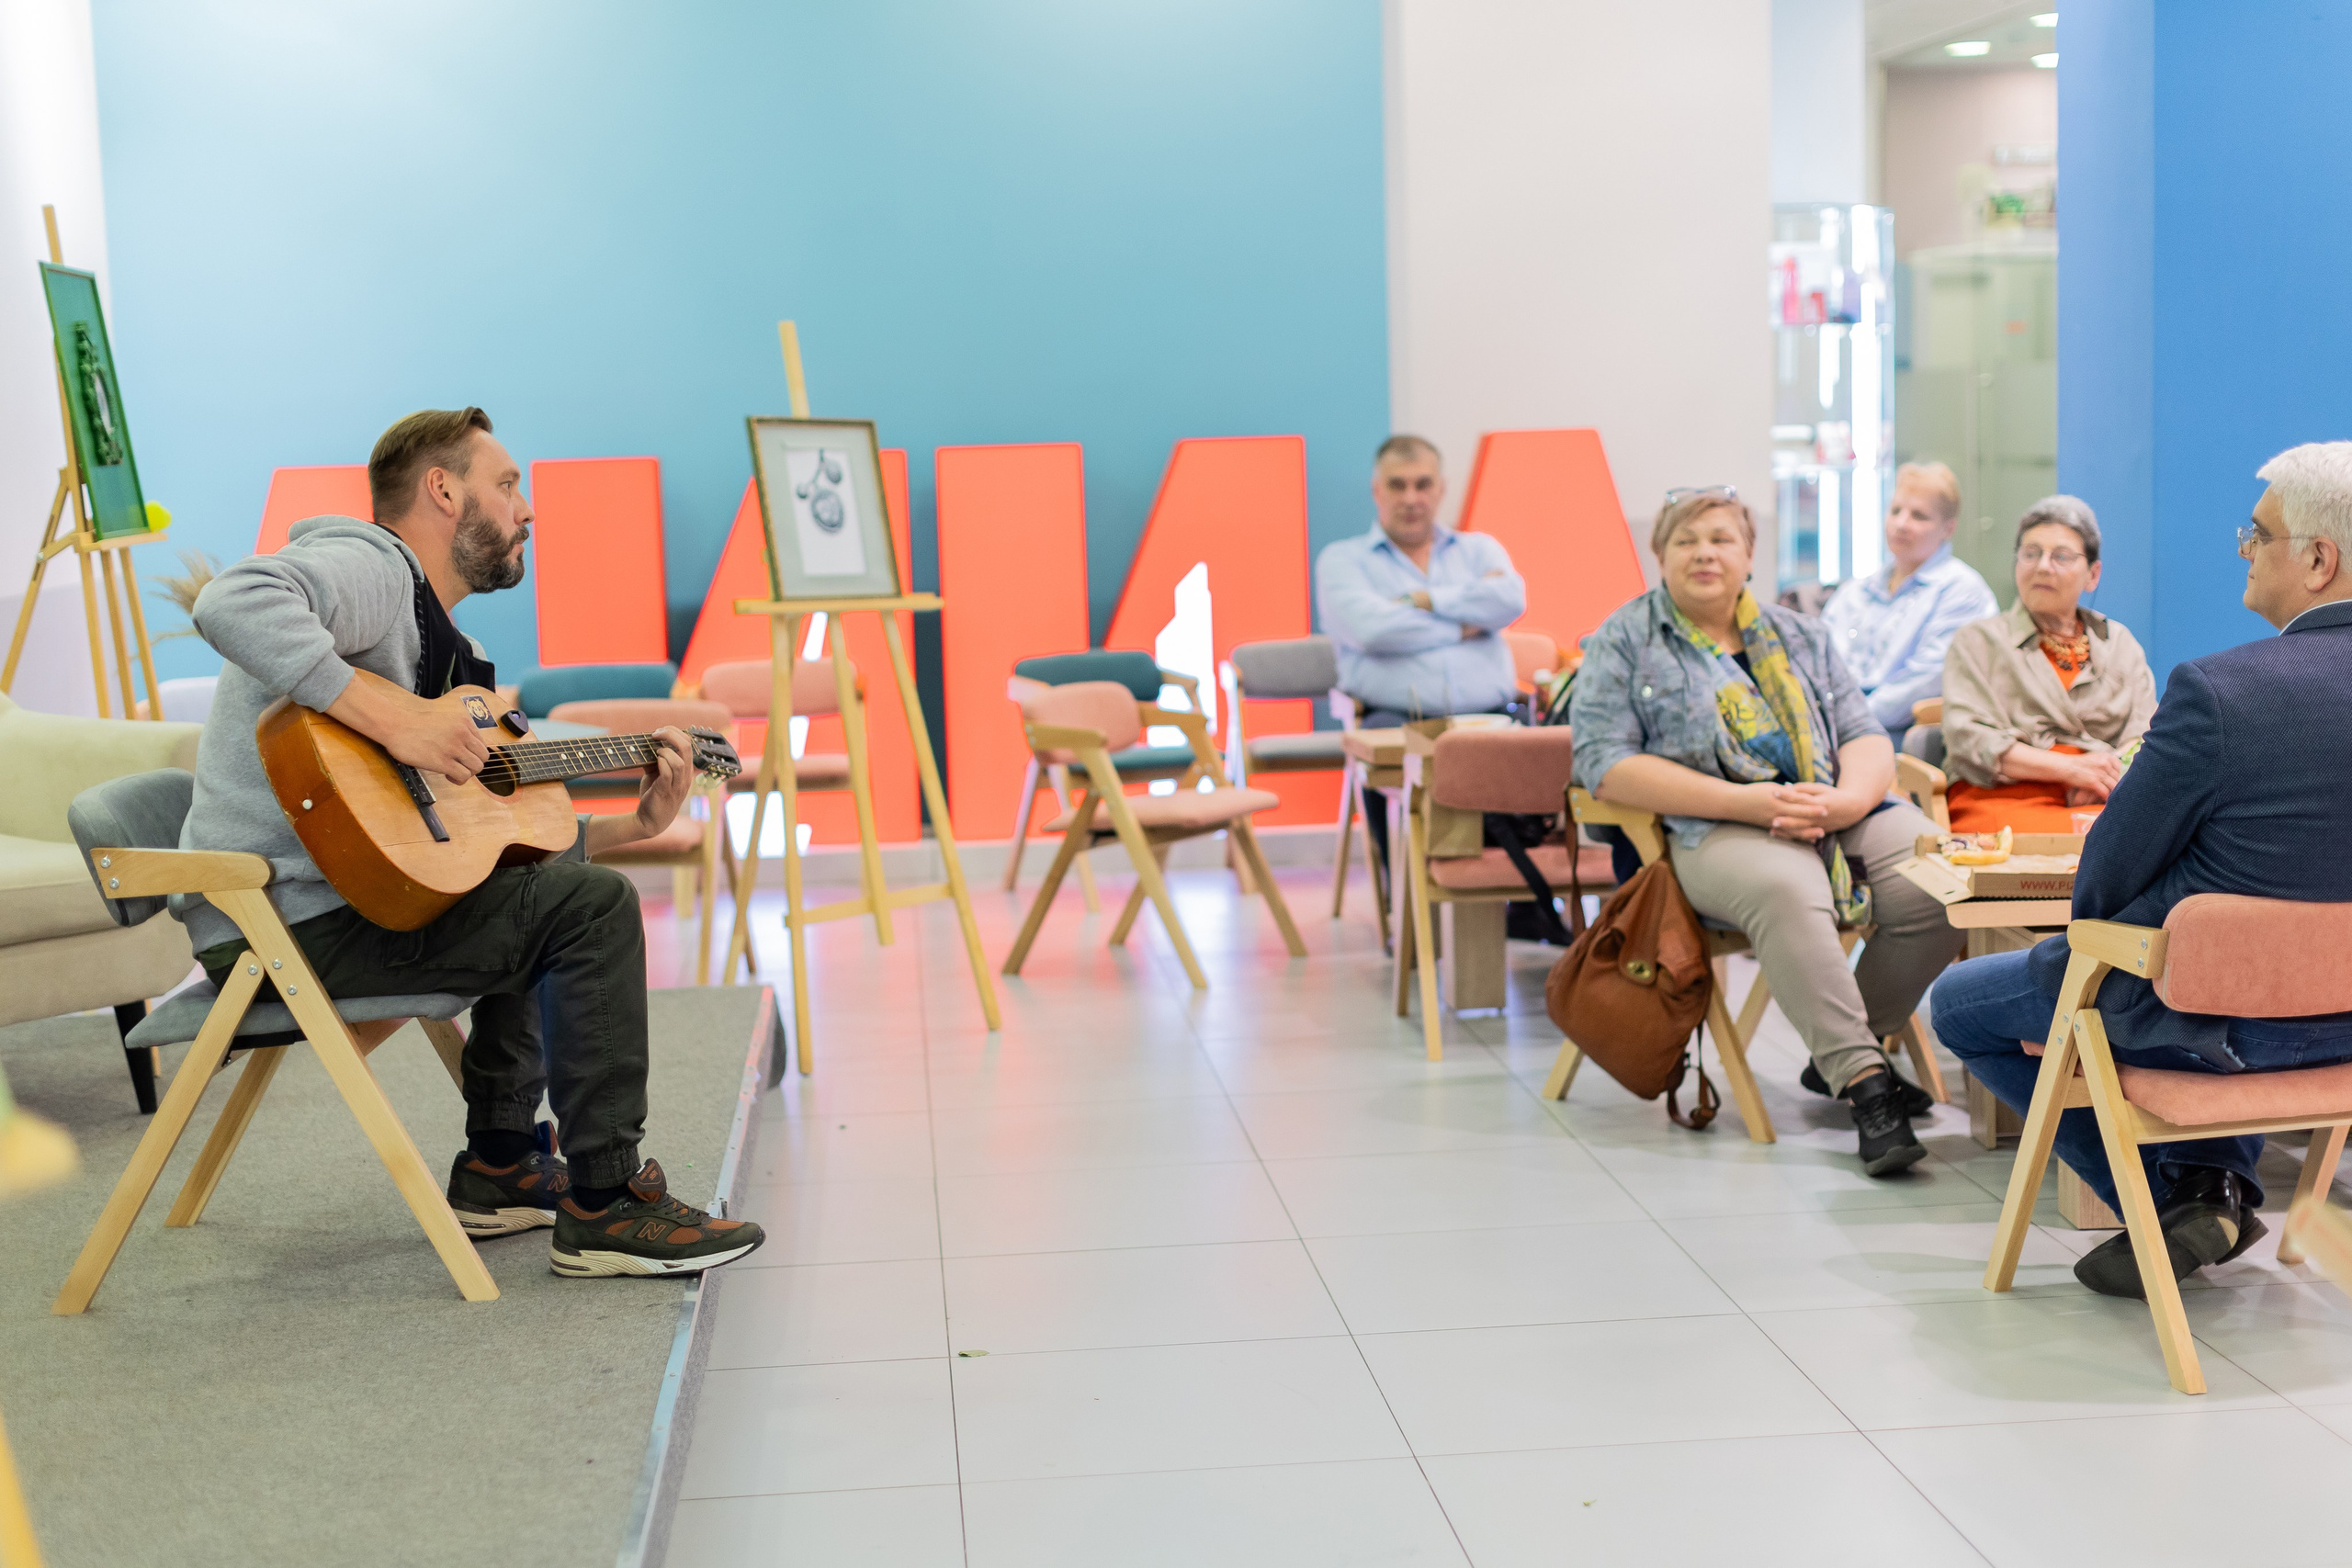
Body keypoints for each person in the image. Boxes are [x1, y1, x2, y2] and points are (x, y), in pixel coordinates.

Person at [181, 407, 763, 1279]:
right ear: (443, 490)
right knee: (589, 908)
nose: (527, 508)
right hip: (281, 922)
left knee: (550, 880)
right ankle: (605, 1205)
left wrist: (634, 826)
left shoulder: (457, 656)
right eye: (507, 483)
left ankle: (501, 1164)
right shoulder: (370, 566)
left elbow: (495, 838)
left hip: (358, 902)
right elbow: (235, 598)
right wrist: (395, 717)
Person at [1930, 442, 2352, 1298]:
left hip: (2218, 1020)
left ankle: (2186, 1194)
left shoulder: (2221, 691)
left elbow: (2106, 882)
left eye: (2257, 533)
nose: (2243, 547)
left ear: (2318, 559)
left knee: (1961, 1004)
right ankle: (2210, 1186)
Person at [1571, 488, 1959, 1176]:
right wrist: (1749, 802)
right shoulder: (1624, 638)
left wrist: (1844, 802)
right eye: (1686, 539)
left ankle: (1841, 1051)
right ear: (1658, 553)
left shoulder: (1800, 632)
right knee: (1789, 882)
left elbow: (1864, 731)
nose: (1704, 552)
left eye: (1721, 538)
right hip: (1712, 826)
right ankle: (1869, 1090)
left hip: (1831, 807)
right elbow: (1602, 762)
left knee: (1939, 875)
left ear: (1749, 553)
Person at [1316, 434, 1527, 873]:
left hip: (1494, 715)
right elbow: (1371, 631)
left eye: (1422, 484)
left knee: (1542, 753)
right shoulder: (1343, 561)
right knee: (1390, 754)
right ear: (1377, 491)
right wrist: (1465, 622)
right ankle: (1409, 913)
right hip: (1397, 719)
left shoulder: (1478, 548)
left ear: (1440, 489)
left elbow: (1508, 601)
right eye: (1397, 485)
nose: (1411, 498)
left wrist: (1423, 601)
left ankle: (1528, 910)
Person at [1939, 496, 2156, 836]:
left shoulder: (2119, 643)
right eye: (2031, 553)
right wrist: (2070, 769)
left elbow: (2145, 734)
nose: (2042, 566)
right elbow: (1969, 738)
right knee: (2092, 849)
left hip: (2103, 798)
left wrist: (2108, 775)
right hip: (2002, 797)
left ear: (2092, 574)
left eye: (2061, 556)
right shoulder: (1977, 640)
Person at [1820, 460, 1996, 751]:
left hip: (1898, 734)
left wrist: (1847, 723)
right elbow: (1819, 661)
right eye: (1896, 511)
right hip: (1834, 725)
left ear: (1948, 528)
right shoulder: (1857, 590)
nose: (1902, 523)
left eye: (1919, 516)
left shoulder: (1962, 592)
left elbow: (1926, 682)